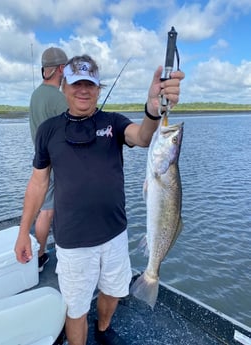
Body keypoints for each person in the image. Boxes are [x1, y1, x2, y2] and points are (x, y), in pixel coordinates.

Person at [15, 54, 184, 345]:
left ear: (98, 89)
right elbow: (37, 184)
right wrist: (22, 233)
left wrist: (153, 110)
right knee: (77, 307)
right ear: (64, 86)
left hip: (115, 236)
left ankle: (103, 330)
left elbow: (143, 137)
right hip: (72, 243)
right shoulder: (48, 131)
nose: (83, 90)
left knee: (113, 290)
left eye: (90, 84)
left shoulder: (113, 123)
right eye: (76, 83)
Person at [29, 47, 68, 272]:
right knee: (49, 211)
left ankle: (41, 252)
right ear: (61, 68)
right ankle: (42, 255)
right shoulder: (59, 98)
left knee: (44, 207)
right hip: (57, 163)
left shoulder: (36, 94)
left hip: (39, 159)